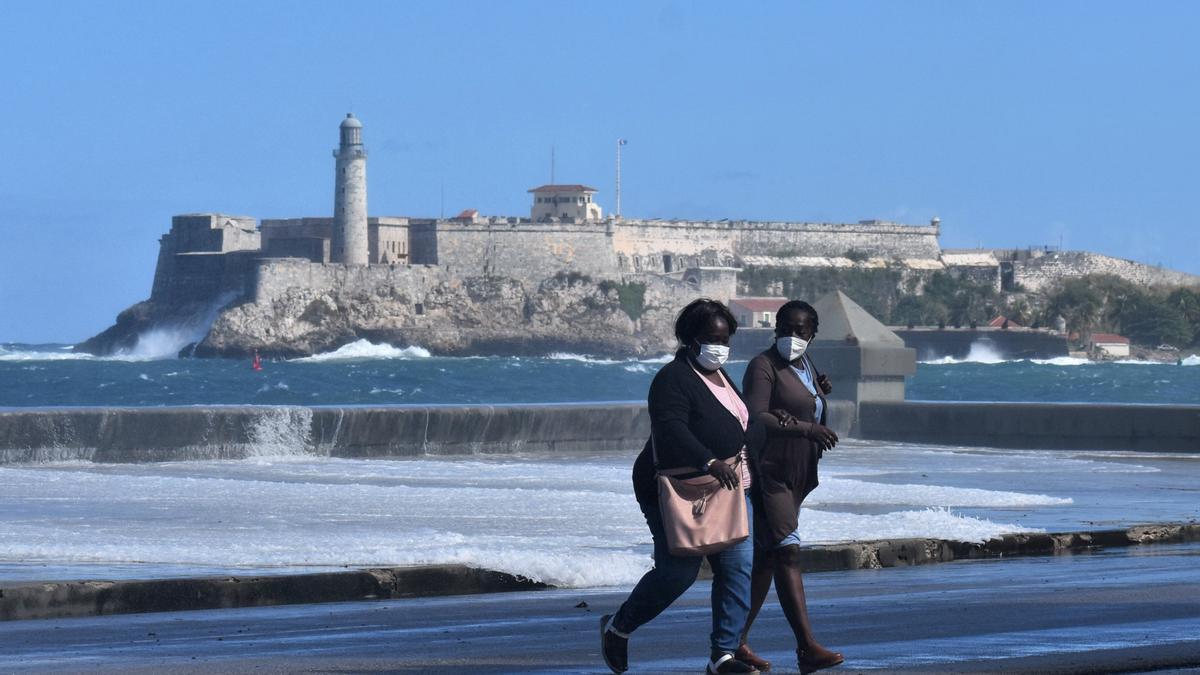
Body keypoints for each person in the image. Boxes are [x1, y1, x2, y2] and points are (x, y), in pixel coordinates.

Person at [601, 298, 763, 675]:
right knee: (679, 573)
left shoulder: (722, 377)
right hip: (680, 489)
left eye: (725, 339)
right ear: (691, 339)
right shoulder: (671, 379)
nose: (720, 346)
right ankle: (619, 626)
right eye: (712, 338)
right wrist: (708, 460)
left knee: (738, 568)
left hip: (729, 489)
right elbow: (670, 428)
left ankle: (722, 655)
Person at [736, 300, 844, 674]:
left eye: (801, 331)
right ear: (776, 327)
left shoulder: (805, 365)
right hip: (772, 472)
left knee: (767, 559)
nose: (792, 337)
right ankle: (807, 648)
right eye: (786, 328)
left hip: (800, 474)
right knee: (788, 554)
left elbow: (802, 402)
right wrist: (807, 428)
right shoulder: (763, 366)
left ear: (812, 335)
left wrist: (819, 392)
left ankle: (733, 644)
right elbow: (757, 414)